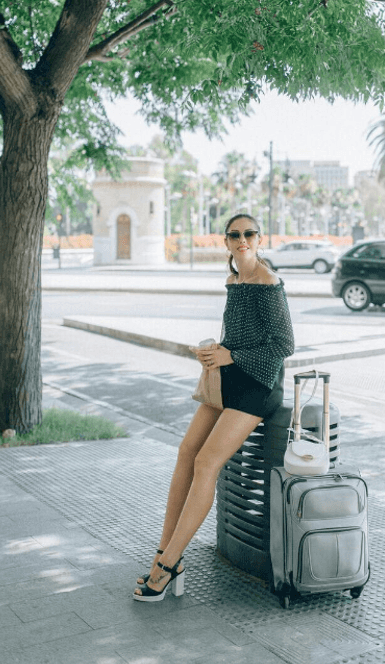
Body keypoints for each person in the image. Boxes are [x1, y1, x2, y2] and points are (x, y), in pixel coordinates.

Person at [132, 213, 294, 602]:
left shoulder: (269, 284)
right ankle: (164, 551)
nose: (243, 240)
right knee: (186, 451)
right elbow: (236, 336)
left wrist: (231, 356)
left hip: (259, 386)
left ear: (259, 239)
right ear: (226, 242)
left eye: (249, 234)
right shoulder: (234, 280)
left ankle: (168, 565)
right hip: (230, 378)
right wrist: (213, 353)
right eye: (235, 235)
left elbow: (283, 346)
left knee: (206, 463)